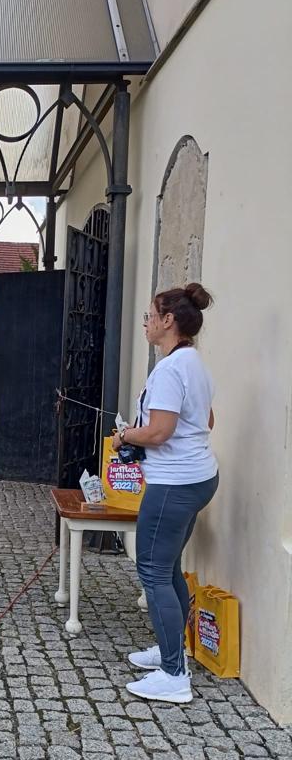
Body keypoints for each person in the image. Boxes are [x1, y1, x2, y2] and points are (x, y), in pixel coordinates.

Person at [116, 282, 218, 704]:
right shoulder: (194, 363)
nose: (146, 323)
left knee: (153, 572)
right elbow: (207, 421)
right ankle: (172, 648)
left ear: (168, 321)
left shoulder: (171, 369)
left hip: (174, 482)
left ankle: (174, 675)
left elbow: (159, 431)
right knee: (169, 566)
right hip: (198, 477)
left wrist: (125, 435)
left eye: (150, 316)